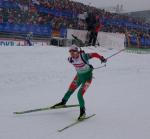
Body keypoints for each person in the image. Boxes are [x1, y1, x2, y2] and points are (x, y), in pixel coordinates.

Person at [52, 44, 107, 120]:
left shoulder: (83, 56)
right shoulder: (70, 59)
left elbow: (94, 54)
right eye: (71, 53)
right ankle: (63, 102)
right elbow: (76, 62)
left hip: (87, 79)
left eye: (74, 52)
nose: (72, 54)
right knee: (70, 90)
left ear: (77, 52)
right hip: (78, 77)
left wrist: (101, 58)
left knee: (79, 94)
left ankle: (83, 112)